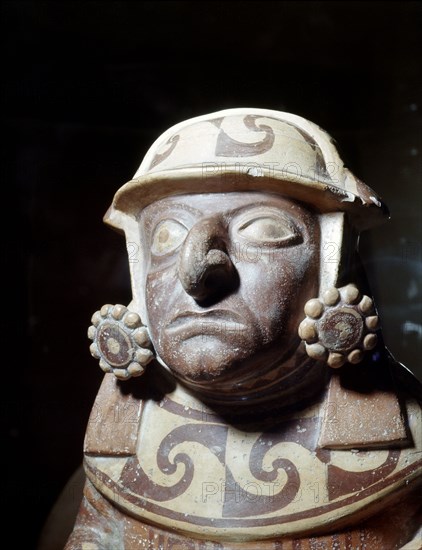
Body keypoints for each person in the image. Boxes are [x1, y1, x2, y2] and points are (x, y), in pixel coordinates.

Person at [65, 108, 421, 549]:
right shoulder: (124, 450)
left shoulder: (411, 453)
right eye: (166, 235)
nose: (195, 273)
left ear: (331, 262)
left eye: (264, 229)